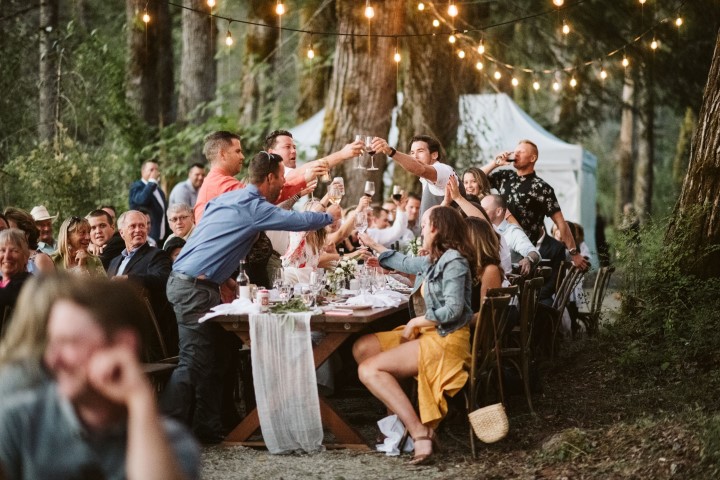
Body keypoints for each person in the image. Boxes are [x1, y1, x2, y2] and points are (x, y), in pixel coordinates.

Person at [161, 151, 340, 444]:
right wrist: (327, 215)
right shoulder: (253, 206)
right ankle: (158, 430)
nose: (284, 183)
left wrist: (225, 277)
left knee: (217, 356)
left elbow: (213, 239)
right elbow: (294, 220)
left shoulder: (227, 199)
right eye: (281, 177)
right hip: (192, 286)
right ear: (269, 178)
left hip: (195, 282)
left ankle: (207, 428)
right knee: (193, 362)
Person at [0, 275, 200, 480]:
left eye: (68, 342)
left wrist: (139, 400)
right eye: (52, 343)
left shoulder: (172, 443)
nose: (52, 360)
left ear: (122, 345)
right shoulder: (20, 420)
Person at [354, 206, 476, 465]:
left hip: (446, 339)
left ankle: (419, 431)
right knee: (363, 347)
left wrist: (416, 321)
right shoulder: (435, 259)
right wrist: (373, 243)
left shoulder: (454, 261)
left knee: (369, 370)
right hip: (430, 332)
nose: (421, 229)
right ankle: (397, 425)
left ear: (435, 227)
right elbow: (404, 262)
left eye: (424, 224)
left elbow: (454, 309)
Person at [481, 140, 589, 270]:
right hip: (496, 245)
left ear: (533, 158)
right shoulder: (505, 177)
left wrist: (574, 253)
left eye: (521, 152)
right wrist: (494, 163)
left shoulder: (542, 188)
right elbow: (474, 180)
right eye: (515, 152)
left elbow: (561, 223)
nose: (516, 154)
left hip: (523, 252)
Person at [108, 210, 175, 360]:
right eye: (132, 226)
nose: (138, 230)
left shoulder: (157, 255)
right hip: (115, 329)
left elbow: (163, 278)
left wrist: (129, 278)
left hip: (144, 334)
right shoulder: (114, 262)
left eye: (141, 226)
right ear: (122, 232)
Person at [371, 135, 459, 217]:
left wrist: (391, 152)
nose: (415, 157)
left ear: (434, 155)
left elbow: (420, 168)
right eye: (412, 153)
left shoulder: (443, 170)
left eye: (420, 151)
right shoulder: (425, 179)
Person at [481, 194, 540, 276]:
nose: (480, 213)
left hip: (504, 284)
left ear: (498, 211)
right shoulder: (482, 231)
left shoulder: (513, 232)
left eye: (484, 210)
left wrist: (528, 259)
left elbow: (534, 252)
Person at [4, 207, 55, 275]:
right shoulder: (5, 261)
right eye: (4, 231)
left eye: (11, 231)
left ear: (26, 234)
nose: (6, 236)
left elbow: (51, 285)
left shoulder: (40, 260)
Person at [129, 160, 168, 245]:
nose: (155, 172)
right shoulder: (137, 186)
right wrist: (152, 182)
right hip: (146, 238)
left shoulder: (159, 191)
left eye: (156, 169)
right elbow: (141, 200)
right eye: (151, 170)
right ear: (143, 172)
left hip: (161, 237)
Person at [0, 229, 32, 318]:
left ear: (26, 256)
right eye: (2, 250)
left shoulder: (28, 284)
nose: (7, 256)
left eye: (14, 251)